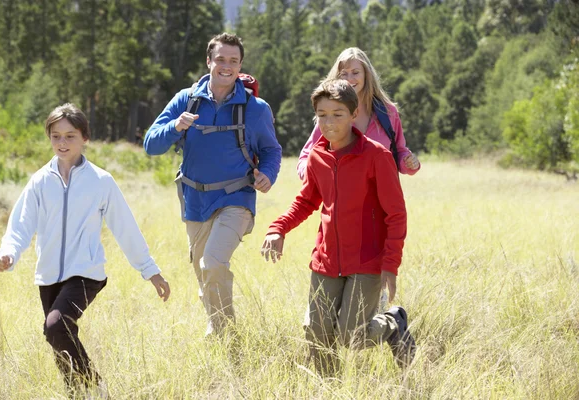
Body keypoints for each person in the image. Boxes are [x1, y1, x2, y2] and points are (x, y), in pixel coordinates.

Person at [0, 103, 171, 396]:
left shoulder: (101, 182)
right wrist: (9, 253)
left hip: (86, 274)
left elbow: (125, 228)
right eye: (56, 136)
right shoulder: (39, 181)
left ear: (85, 137)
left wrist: (150, 271)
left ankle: (96, 387)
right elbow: (21, 224)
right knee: (59, 339)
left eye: (70, 136)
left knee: (55, 326)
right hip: (48, 274)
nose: (62, 143)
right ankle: (77, 394)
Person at [261, 79, 415, 375]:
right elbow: (306, 201)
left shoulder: (377, 157)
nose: (328, 122)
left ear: (354, 114)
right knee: (316, 333)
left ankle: (393, 323)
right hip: (326, 260)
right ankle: (330, 389)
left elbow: (396, 215)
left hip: (367, 263)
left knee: (351, 336)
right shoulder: (318, 156)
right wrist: (278, 228)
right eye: (322, 115)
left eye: (337, 114)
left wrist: (390, 266)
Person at [143, 32, 281, 337]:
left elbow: (272, 150)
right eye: (220, 59)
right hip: (195, 201)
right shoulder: (186, 99)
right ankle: (225, 331)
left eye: (233, 60)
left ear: (241, 64)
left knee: (213, 261)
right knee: (204, 274)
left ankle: (222, 333)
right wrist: (174, 126)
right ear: (209, 61)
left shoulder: (255, 108)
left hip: (237, 198)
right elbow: (150, 145)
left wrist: (268, 175)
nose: (226, 66)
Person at [297, 47, 420, 180]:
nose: (349, 79)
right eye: (344, 74)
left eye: (355, 73)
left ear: (366, 75)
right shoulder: (330, 111)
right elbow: (306, 157)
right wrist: (315, 176)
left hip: (381, 198)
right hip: (340, 199)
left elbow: (399, 151)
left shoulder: (388, 112)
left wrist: (409, 162)